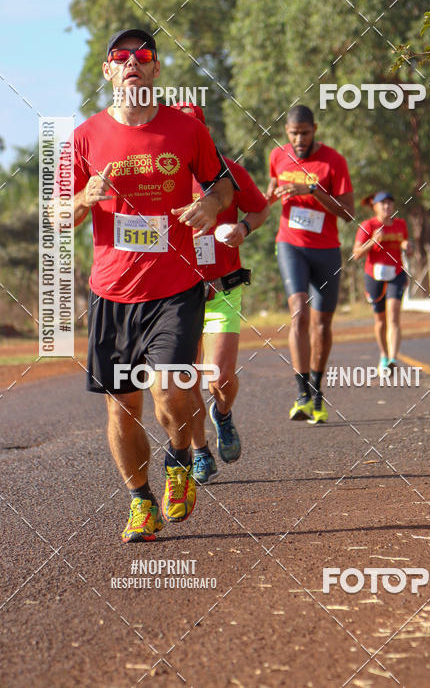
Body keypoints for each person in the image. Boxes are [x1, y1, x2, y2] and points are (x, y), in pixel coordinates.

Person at [52, 28, 234, 542]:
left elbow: (223, 182)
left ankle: (179, 462)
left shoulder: (186, 130)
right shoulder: (85, 137)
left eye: (143, 55)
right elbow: (58, 215)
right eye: (120, 56)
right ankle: (140, 502)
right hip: (112, 294)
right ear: (108, 71)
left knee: (173, 393)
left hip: (175, 288)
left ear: (156, 70)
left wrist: (212, 203)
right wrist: (86, 197)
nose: (132, 61)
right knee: (122, 405)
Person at [173, 103, 270, 483]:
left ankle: (223, 414)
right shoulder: (162, 177)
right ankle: (200, 451)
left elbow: (260, 210)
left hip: (223, 291)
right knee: (186, 379)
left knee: (221, 378)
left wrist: (243, 229)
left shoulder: (228, 171)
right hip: (178, 295)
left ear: (205, 136)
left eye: (196, 132)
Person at [266, 105, 354, 423]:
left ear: (314, 129)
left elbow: (348, 212)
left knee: (321, 325)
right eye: (293, 133)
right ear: (286, 133)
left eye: (305, 132)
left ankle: (317, 392)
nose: (299, 139)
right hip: (290, 244)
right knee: (299, 312)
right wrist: (268, 198)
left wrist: (313, 190)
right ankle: (301, 394)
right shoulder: (278, 157)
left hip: (327, 249)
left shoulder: (334, 161)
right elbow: (270, 193)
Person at [352, 191, 413, 375]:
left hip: (396, 274)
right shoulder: (368, 225)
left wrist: (407, 247)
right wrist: (372, 241)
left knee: (393, 316)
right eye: (382, 203)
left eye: (389, 203)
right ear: (375, 207)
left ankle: (393, 359)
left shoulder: (400, 224)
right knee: (380, 321)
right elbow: (356, 254)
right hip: (374, 276)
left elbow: (406, 245)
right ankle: (384, 355)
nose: (387, 206)